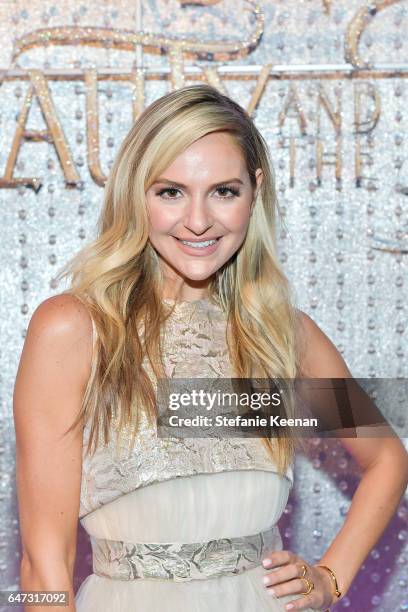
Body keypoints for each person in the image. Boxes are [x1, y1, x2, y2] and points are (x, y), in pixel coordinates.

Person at [13, 84, 408, 612]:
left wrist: (330, 577)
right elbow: (44, 566)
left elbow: (387, 459)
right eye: (171, 191)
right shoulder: (76, 329)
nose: (198, 220)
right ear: (136, 193)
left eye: (224, 191)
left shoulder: (282, 336)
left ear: (255, 191)